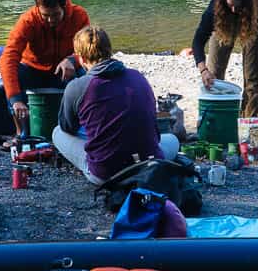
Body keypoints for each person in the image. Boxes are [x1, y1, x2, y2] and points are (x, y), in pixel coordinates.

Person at [53, 26, 180, 184]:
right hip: (148, 162)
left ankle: (98, 165)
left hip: (106, 174)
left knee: (57, 132)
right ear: (109, 51)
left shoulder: (78, 86)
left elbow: (67, 127)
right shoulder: (137, 76)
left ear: (81, 59)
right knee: (173, 139)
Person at [0, 0, 90, 136]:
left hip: (63, 71)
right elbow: (9, 57)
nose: (50, 20)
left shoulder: (79, 15)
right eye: (45, 15)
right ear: (38, 9)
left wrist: (73, 60)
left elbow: (89, 50)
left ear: (64, 7)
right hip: (33, 70)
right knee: (14, 76)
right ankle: (21, 133)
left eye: (55, 15)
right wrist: (15, 99)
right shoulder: (28, 20)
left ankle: (80, 128)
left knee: (85, 77)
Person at [191, 0, 258, 118]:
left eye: (238, 7)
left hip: (252, 22)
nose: (234, 10)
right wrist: (203, 70)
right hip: (223, 23)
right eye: (230, 6)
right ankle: (216, 119)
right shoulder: (215, 7)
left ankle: (247, 122)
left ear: (246, 2)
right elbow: (198, 41)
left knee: (252, 77)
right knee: (213, 76)